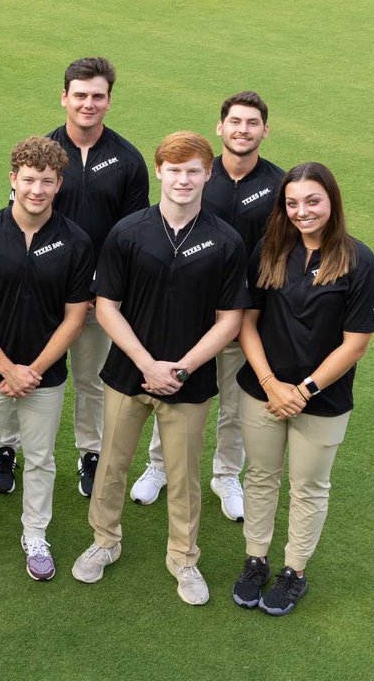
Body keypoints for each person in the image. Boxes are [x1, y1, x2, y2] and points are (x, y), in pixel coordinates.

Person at [71, 131, 249, 606]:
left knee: (184, 475)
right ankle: (104, 542)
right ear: (159, 172)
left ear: (208, 175)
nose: (184, 179)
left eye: (194, 171)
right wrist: (147, 363)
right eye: (174, 169)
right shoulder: (128, 231)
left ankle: (183, 558)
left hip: (188, 383)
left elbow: (230, 319)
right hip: (128, 375)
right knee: (111, 466)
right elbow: (106, 305)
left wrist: (181, 369)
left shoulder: (225, 240)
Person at [230, 162, 374, 616]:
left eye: (312, 200)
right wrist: (271, 384)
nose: (302, 211)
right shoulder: (269, 251)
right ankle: (256, 560)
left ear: (332, 201)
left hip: (323, 400)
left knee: (309, 486)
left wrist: (304, 389)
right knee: (260, 476)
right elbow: (247, 323)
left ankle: (294, 571)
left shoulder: (360, 262)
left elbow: (355, 344)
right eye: (292, 203)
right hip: (262, 391)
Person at [0, 58, 148, 497]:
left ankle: (89, 453)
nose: (88, 103)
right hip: (41, 293)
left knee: (91, 379)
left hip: (99, 297)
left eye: (97, 95)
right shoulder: (40, 152)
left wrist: (105, 291)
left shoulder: (127, 159)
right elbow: (19, 217)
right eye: (79, 95)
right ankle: (8, 448)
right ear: (64, 97)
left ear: (109, 101)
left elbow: (131, 236)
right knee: (25, 368)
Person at [0, 136, 93, 579]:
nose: (37, 190)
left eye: (47, 181)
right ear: (13, 178)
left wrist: (33, 370)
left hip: (44, 379)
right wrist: (7, 368)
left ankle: (35, 533)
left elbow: (73, 318)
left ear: (59, 183)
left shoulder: (76, 241)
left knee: (42, 458)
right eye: (29, 179)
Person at [131, 92, 284, 519]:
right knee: (176, 393)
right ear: (220, 128)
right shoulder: (196, 172)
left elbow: (282, 250)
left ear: (265, 130)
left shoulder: (277, 184)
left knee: (234, 401)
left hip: (245, 316)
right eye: (235, 121)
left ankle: (226, 474)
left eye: (252, 123)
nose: (243, 130)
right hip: (188, 315)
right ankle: (159, 466)